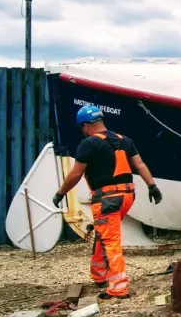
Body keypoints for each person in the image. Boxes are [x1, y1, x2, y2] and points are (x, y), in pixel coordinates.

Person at [52, 105, 163, 298]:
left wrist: (60, 193)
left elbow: (76, 173)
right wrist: (152, 186)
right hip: (127, 195)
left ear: (86, 125)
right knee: (103, 235)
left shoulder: (89, 144)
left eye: (82, 128)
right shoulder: (124, 140)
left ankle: (118, 288)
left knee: (111, 240)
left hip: (107, 199)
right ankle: (99, 275)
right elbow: (140, 164)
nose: (83, 132)